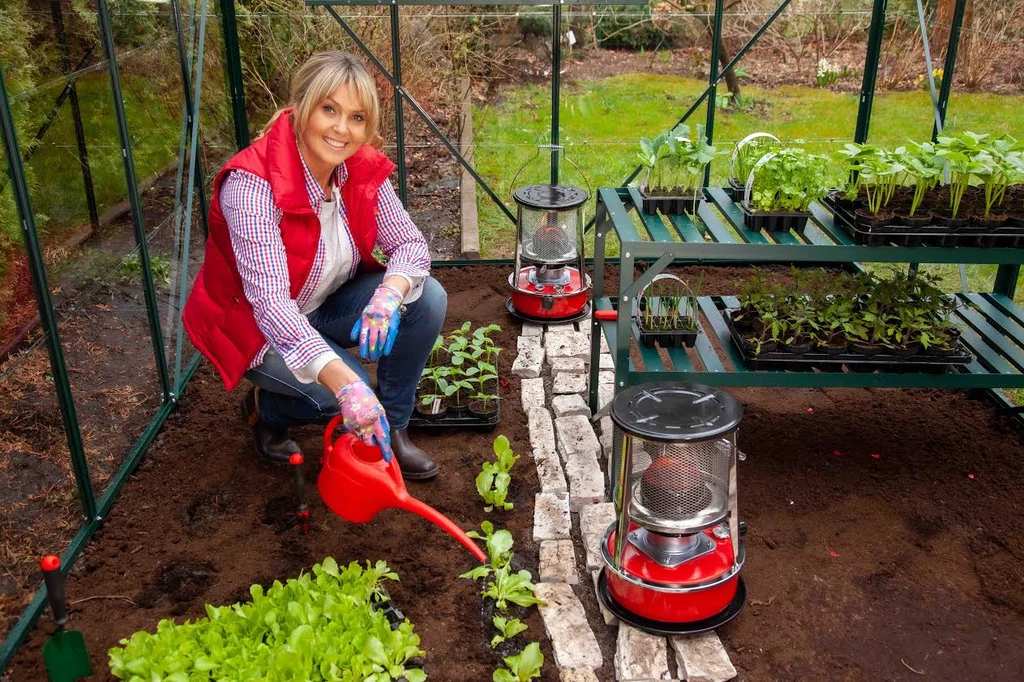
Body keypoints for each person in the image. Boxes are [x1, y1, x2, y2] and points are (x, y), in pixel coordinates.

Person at [183, 51, 446, 480]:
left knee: (427, 298)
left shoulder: (356, 169)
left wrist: (386, 297)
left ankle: (393, 431)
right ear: (301, 106)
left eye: (357, 117)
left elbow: (411, 244)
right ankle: (266, 411)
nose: (342, 129)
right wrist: (347, 384)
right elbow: (270, 305)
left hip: (321, 303)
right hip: (257, 329)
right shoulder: (252, 186)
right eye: (330, 110)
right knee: (341, 392)